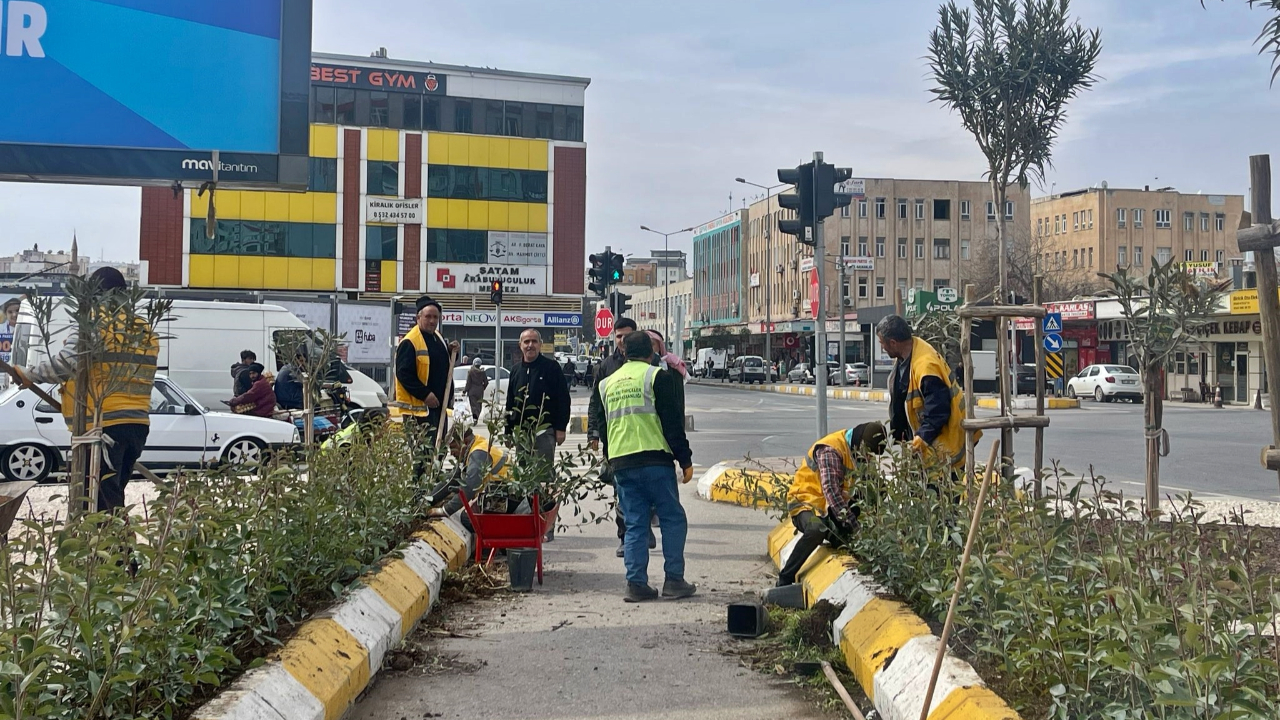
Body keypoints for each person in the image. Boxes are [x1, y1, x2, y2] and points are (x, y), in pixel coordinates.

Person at [9, 267, 157, 512]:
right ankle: (113, 546)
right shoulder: (143, 329)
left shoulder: (94, 323)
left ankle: (112, 548)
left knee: (98, 505)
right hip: (136, 426)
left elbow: (66, 363)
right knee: (110, 495)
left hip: (102, 428)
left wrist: (27, 374)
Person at [595, 331, 695, 602]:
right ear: (651, 354)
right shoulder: (656, 377)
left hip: (622, 464)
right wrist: (684, 459)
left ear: (624, 353)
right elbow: (672, 423)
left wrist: (611, 456)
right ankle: (674, 579)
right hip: (655, 462)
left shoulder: (606, 383)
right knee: (673, 518)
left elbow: (604, 427)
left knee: (635, 522)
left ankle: (636, 583)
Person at [777, 423, 887, 586]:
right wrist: (854, 527)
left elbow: (876, 487)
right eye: (868, 453)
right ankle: (785, 578)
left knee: (876, 490)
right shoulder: (831, 451)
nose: (869, 458)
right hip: (805, 504)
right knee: (816, 530)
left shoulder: (856, 452)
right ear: (861, 444)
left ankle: (838, 533)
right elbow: (832, 492)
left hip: (828, 511)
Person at [588, 318, 655, 556]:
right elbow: (596, 403)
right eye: (618, 337)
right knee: (621, 493)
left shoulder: (652, 364)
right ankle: (626, 537)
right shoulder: (606, 366)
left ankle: (643, 529)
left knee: (647, 492)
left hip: (648, 442)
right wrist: (593, 433)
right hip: (616, 442)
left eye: (627, 336)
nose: (623, 341)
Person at [877, 315, 973, 472]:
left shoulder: (926, 366)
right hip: (925, 441)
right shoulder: (908, 352)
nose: (882, 348)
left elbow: (938, 410)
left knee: (940, 491)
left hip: (944, 439)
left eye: (882, 343)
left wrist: (921, 438)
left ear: (893, 343)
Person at [392, 296, 457, 481]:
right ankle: (418, 493)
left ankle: (432, 485)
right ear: (418, 317)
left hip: (438, 407)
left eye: (435, 317)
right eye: (428, 316)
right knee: (423, 454)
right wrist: (425, 394)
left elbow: (442, 366)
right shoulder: (410, 342)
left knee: (438, 450)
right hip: (419, 412)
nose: (432, 321)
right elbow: (404, 374)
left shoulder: (437, 337)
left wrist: (453, 352)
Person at [427, 426, 515, 529]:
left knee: (467, 518)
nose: (451, 453)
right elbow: (451, 479)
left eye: (453, 447)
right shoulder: (475, 445)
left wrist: (445, 510)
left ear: (465, 442)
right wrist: (428, 501)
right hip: (502, 495)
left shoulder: (478, 454)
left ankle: (494, 539)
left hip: (507, 499)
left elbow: (470, 487)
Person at [464, 357, 489, 422]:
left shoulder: (470, 371)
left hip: (472, 391)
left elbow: (468, 383)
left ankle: (474, 417)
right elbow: (486, 382)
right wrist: (482, 388)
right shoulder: (482, 372)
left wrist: (465, 391)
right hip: (480, 391)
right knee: (479, 405)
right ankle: (476, 417)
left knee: (473, 405)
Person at [0, 297, 19, 365]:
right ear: (5, 314)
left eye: (17, 310)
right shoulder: (1, 329)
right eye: (10, 312)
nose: (14, 314)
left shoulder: (31, 327)